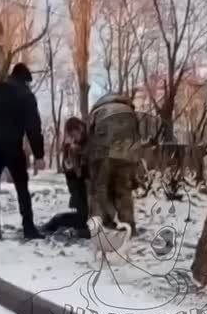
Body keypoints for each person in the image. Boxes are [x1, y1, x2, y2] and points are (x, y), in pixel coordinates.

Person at [0, 62, 45, 241]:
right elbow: (33, 127)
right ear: (24, 79)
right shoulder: (25, 95)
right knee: (22, 187)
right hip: (12, 146)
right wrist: (39, 154)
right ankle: (28, 227)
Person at [88, 93, 141, 236]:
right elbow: (137, 137)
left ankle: (99, 224)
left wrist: (91, 162)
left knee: (100, 189)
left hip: (103, 154)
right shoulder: (130, 112)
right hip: (126, 155)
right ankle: (129, 225)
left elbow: (90, 136)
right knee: (124, 192)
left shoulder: (98, 111)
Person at [42, 117, 90, 238]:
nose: (74, 138)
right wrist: (69, 157)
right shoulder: (73, 146)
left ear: (80, 128)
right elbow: (71, 175)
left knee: (85, 220)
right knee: (62, 219)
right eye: (71, 135)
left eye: (75, 134)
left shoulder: (91, 141)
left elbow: (90, 171)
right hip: (81, 193)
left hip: (93, 194)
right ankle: (54, 224)